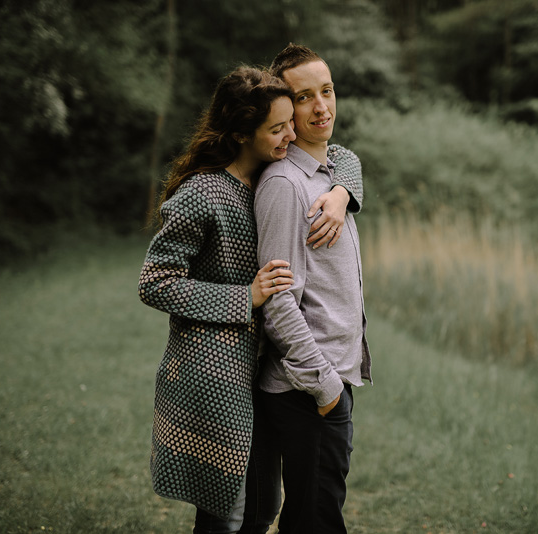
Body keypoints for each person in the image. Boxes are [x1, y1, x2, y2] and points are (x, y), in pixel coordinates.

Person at [138, 65, 364, 534]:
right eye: (278, 128)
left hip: (257, 370)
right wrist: (245, 297)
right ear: (243, 133)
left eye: (290, 123)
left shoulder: (268, 175)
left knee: (263, 506)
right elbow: (155, 281)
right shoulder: (204, 192)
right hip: (214, 374)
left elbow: (341, 155)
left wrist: (342, 191)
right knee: (228, 510)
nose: (291, 134)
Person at [252, 43, 372, 533]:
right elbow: (279, 300)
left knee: (315, 514)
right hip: (308, 388)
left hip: (326, 382)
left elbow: (346, 156)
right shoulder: (285, 184)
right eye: (305, 98)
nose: (321, 106)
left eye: (327, 91)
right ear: (286, 109)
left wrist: (343, 192)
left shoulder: (330, 173)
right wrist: (325, 389)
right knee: (315, 521)